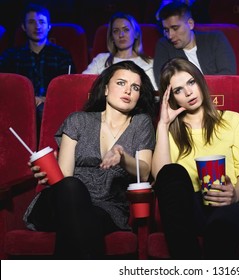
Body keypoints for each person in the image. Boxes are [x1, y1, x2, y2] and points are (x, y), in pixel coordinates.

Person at [23, 60, 156, 259]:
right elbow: (64, 178)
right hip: (61, 200)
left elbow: (144, 171)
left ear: (139, 95)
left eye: (135, 87)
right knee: (71, 188)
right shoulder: (78, 120)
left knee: (82, 224)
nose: (128, 90)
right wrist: (47, 172)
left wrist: (122, 157)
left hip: (107, 207)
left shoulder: (141, 123)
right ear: (105, 89)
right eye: (121, 83)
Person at [151, 57, 239, 259]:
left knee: (220, 225)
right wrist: (163, 125)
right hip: (191, 209)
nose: (188, 92)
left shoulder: (231, 119)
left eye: (191, 82)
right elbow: (162, 177)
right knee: (173, 173)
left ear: (200, 81)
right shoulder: (171, 131)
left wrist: (234, 194)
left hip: (231, 204)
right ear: (172, 98)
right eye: (178, 90)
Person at [0, 4, 74, 126]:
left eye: (41, 22)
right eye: (31, 22)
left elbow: (69, 87)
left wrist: (46, 99)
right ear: (23, 27)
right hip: (19, 108)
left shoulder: (62, 55)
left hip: (52, 108)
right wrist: (28, 99)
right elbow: (5, 88)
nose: (37, 26)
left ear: (49, 26)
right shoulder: (11, 56)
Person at [153, 2, 236, 85]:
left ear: (190, 24)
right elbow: (162, 80)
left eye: (175, 28)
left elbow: (228, 75)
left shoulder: (216, 39)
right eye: (166, 30)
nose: (170, 36)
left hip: (218, 95)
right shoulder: (164, 45)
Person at [83, 12, 158, 90]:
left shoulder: (149, 64)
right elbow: (82, 84)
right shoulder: (100, 60)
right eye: (116, 31)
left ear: (136, 34)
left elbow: (155, 95)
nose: (121, 35)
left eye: (126, 30)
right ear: (112, 37)